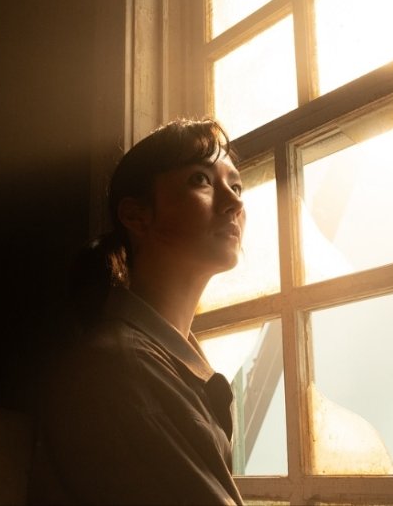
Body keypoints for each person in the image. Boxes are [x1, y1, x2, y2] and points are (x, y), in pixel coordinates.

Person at [29, 118, 247, 505]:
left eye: (236, 185)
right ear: (136, 216)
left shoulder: (159, 359)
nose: (234, 203)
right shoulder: (124, 366)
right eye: (201, 179)